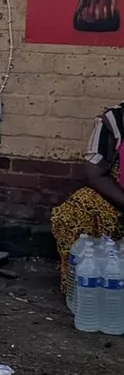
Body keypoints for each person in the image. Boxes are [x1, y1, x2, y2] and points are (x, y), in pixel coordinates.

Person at [51, 103, 124, 292]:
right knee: (75, 211)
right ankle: (88, 289)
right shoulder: (115, 120)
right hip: (120, 199)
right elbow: (95, 173)